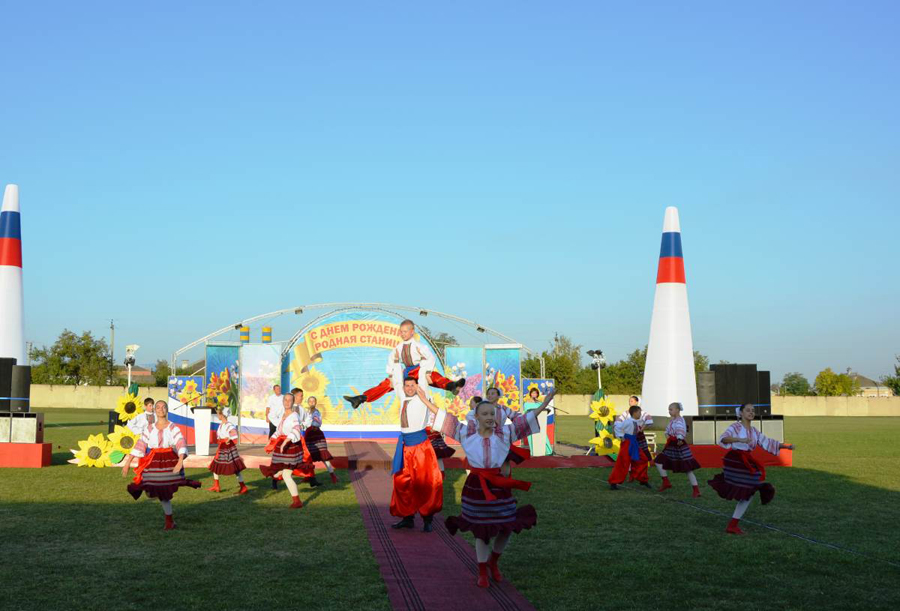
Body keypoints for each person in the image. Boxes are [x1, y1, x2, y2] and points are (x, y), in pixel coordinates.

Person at [439, 389, 556, 588]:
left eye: (492, 414)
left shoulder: (504, 433)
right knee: (481, 529)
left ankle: (494, 561)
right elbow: (445, 418)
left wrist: (545, 404)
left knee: (506, 525)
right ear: (476, 417)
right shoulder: (466, 433)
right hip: (476, 486)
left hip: (499, 485)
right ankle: (482, 571)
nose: (490, 417)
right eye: (485, 414)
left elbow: (524, 421)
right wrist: (423, 398)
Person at [708, 403, 794, 535]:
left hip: (746, 461)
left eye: (753, 411)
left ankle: (733, 524)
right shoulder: (735, 427)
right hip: (735, 460)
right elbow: (723, 439)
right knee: (749, 487)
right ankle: (735, 519)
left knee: (748, 491)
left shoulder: (754, 431)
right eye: (748, 410)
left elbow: (768, 442)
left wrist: (785, 447)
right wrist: (740, 440)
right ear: (741, 413)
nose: (751, 412)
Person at [343, 319, 465, 409]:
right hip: (406, 371)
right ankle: (361, 398)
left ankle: (452, 386)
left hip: (418, 370)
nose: (402, 334)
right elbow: (391, 360)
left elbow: (430, 358)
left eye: (405, 331)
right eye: (401, 332)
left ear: (412, 332)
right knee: (386, 384)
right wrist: (391, 375)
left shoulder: (419, 346)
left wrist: (427, 372)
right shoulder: (398, 348)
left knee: (433, 376)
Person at [121, 400, 201, 530]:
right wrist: (128, 462)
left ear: (167, 410)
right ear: (155, 410)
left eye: (163, 407)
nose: (160, 409)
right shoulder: (149, 428)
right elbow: (141, 443)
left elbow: (180, 442)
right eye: (157, 407)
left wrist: (180, 460)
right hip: (153, 460)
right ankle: (168, 517)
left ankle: (169, 522)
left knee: (163, 492)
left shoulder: (172, 427)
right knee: (149, 489)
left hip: (168, 459)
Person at [389, 378, 445, 532]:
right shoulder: (402, 397)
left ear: (418, 386)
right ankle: (407, 518)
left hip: (421, 448)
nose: (409, 388)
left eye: (412, 385)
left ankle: (427, 519)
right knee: (402, 482)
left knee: (425, 482)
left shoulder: (422, 399)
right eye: (407, 385)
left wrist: (422, 393)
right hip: (405, 447)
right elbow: (395, 373)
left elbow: (427, 364)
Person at [259, 394, 314, 508]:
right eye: (285, 399)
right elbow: (279, 431)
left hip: (292, 446)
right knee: (282, 472)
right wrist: (271, 441)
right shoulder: (283, 415)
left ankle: (297, 501)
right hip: (284, 446)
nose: (287, 402)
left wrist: (286, 441)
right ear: (283, 401)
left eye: (290, 400)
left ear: (293, 402)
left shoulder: (294, 415)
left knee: (287, 474)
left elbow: (296, 429)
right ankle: (276, 477)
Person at [468, 387, 529, 476]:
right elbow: (470, 416)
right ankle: (486, 483)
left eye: (493, 393)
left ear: (498, 396)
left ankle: (504, 483)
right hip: (485, 438)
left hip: (500, 438)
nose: (490, 395)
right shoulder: (481, 407)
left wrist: (531, 416)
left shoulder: (503, 408)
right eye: (488, 393)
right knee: (486, 462)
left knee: (504, 461)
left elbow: (516, 417)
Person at [654, 402, 701, 497]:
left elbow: (680, 431)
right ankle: (666, 481)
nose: (669, 411)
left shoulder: (680, 420)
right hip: (671, 445)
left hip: (679, 445)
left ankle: (696, 490)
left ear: (677, 410)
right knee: (658, 461)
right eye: (669, 409)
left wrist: (679, 439)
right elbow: (667, 431)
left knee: (687, 468)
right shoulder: (673, 420)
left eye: (671, 409)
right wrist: (667, 435)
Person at [608, 404, 651, 489]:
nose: (640, 414)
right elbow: (617, 426)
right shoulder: (628, 421)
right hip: (627, 443)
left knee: (643, 459)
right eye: (639, 412)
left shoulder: (637, 421)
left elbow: (647, 422)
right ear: (634, 413)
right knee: (623, 462)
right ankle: (614, 482)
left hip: (634, 443)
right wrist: (621, 436)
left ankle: (642, 479)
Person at [207, 407, 248, 495]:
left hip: (228, 447)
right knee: (216, 465)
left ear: (222, 415)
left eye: (218, 414)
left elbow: (234, 435)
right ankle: (216, 485)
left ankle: (243, 487)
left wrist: (228, 438)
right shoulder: (221, 425)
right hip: (222, 446)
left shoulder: (229, 425)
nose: (217, 415)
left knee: (235, 468)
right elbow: (219, 436)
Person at [302, 396, 338, 484]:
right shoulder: (305, 412)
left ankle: (333, 475)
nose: (311, 402)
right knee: (308, 457)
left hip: (317, 435)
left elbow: (317, 423)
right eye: (310, 401)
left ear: (316, 402)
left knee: (323, 456)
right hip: (308, 435)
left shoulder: (317, 412)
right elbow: (304, 423)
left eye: (313, 401)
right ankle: (308, 476)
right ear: (308, 402)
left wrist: (308, 425)